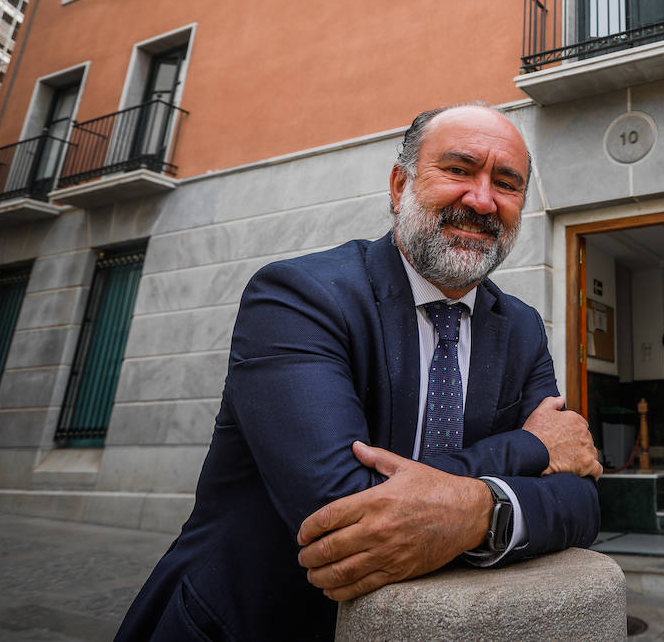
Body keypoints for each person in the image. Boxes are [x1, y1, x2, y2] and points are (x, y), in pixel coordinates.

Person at [116, 103, 602, 642]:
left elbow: (580, 499)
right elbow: (343, 511)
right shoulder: (299, 297)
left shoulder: (522, 327)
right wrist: (530, 450)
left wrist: (479, 512)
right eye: (459, 170)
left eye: (505, 183)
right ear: (400, 185)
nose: (481, 199)